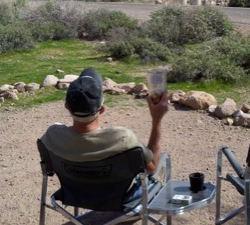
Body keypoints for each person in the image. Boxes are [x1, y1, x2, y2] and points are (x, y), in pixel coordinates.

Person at [41, 68, 169, 200]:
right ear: (101, 109)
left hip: (75, 194)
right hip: (119, 199)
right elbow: (152, 169)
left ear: (67, 106)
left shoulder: (53, 134)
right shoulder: (123, 138)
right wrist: (157, 119)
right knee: (159, 171)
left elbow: (48, 166)